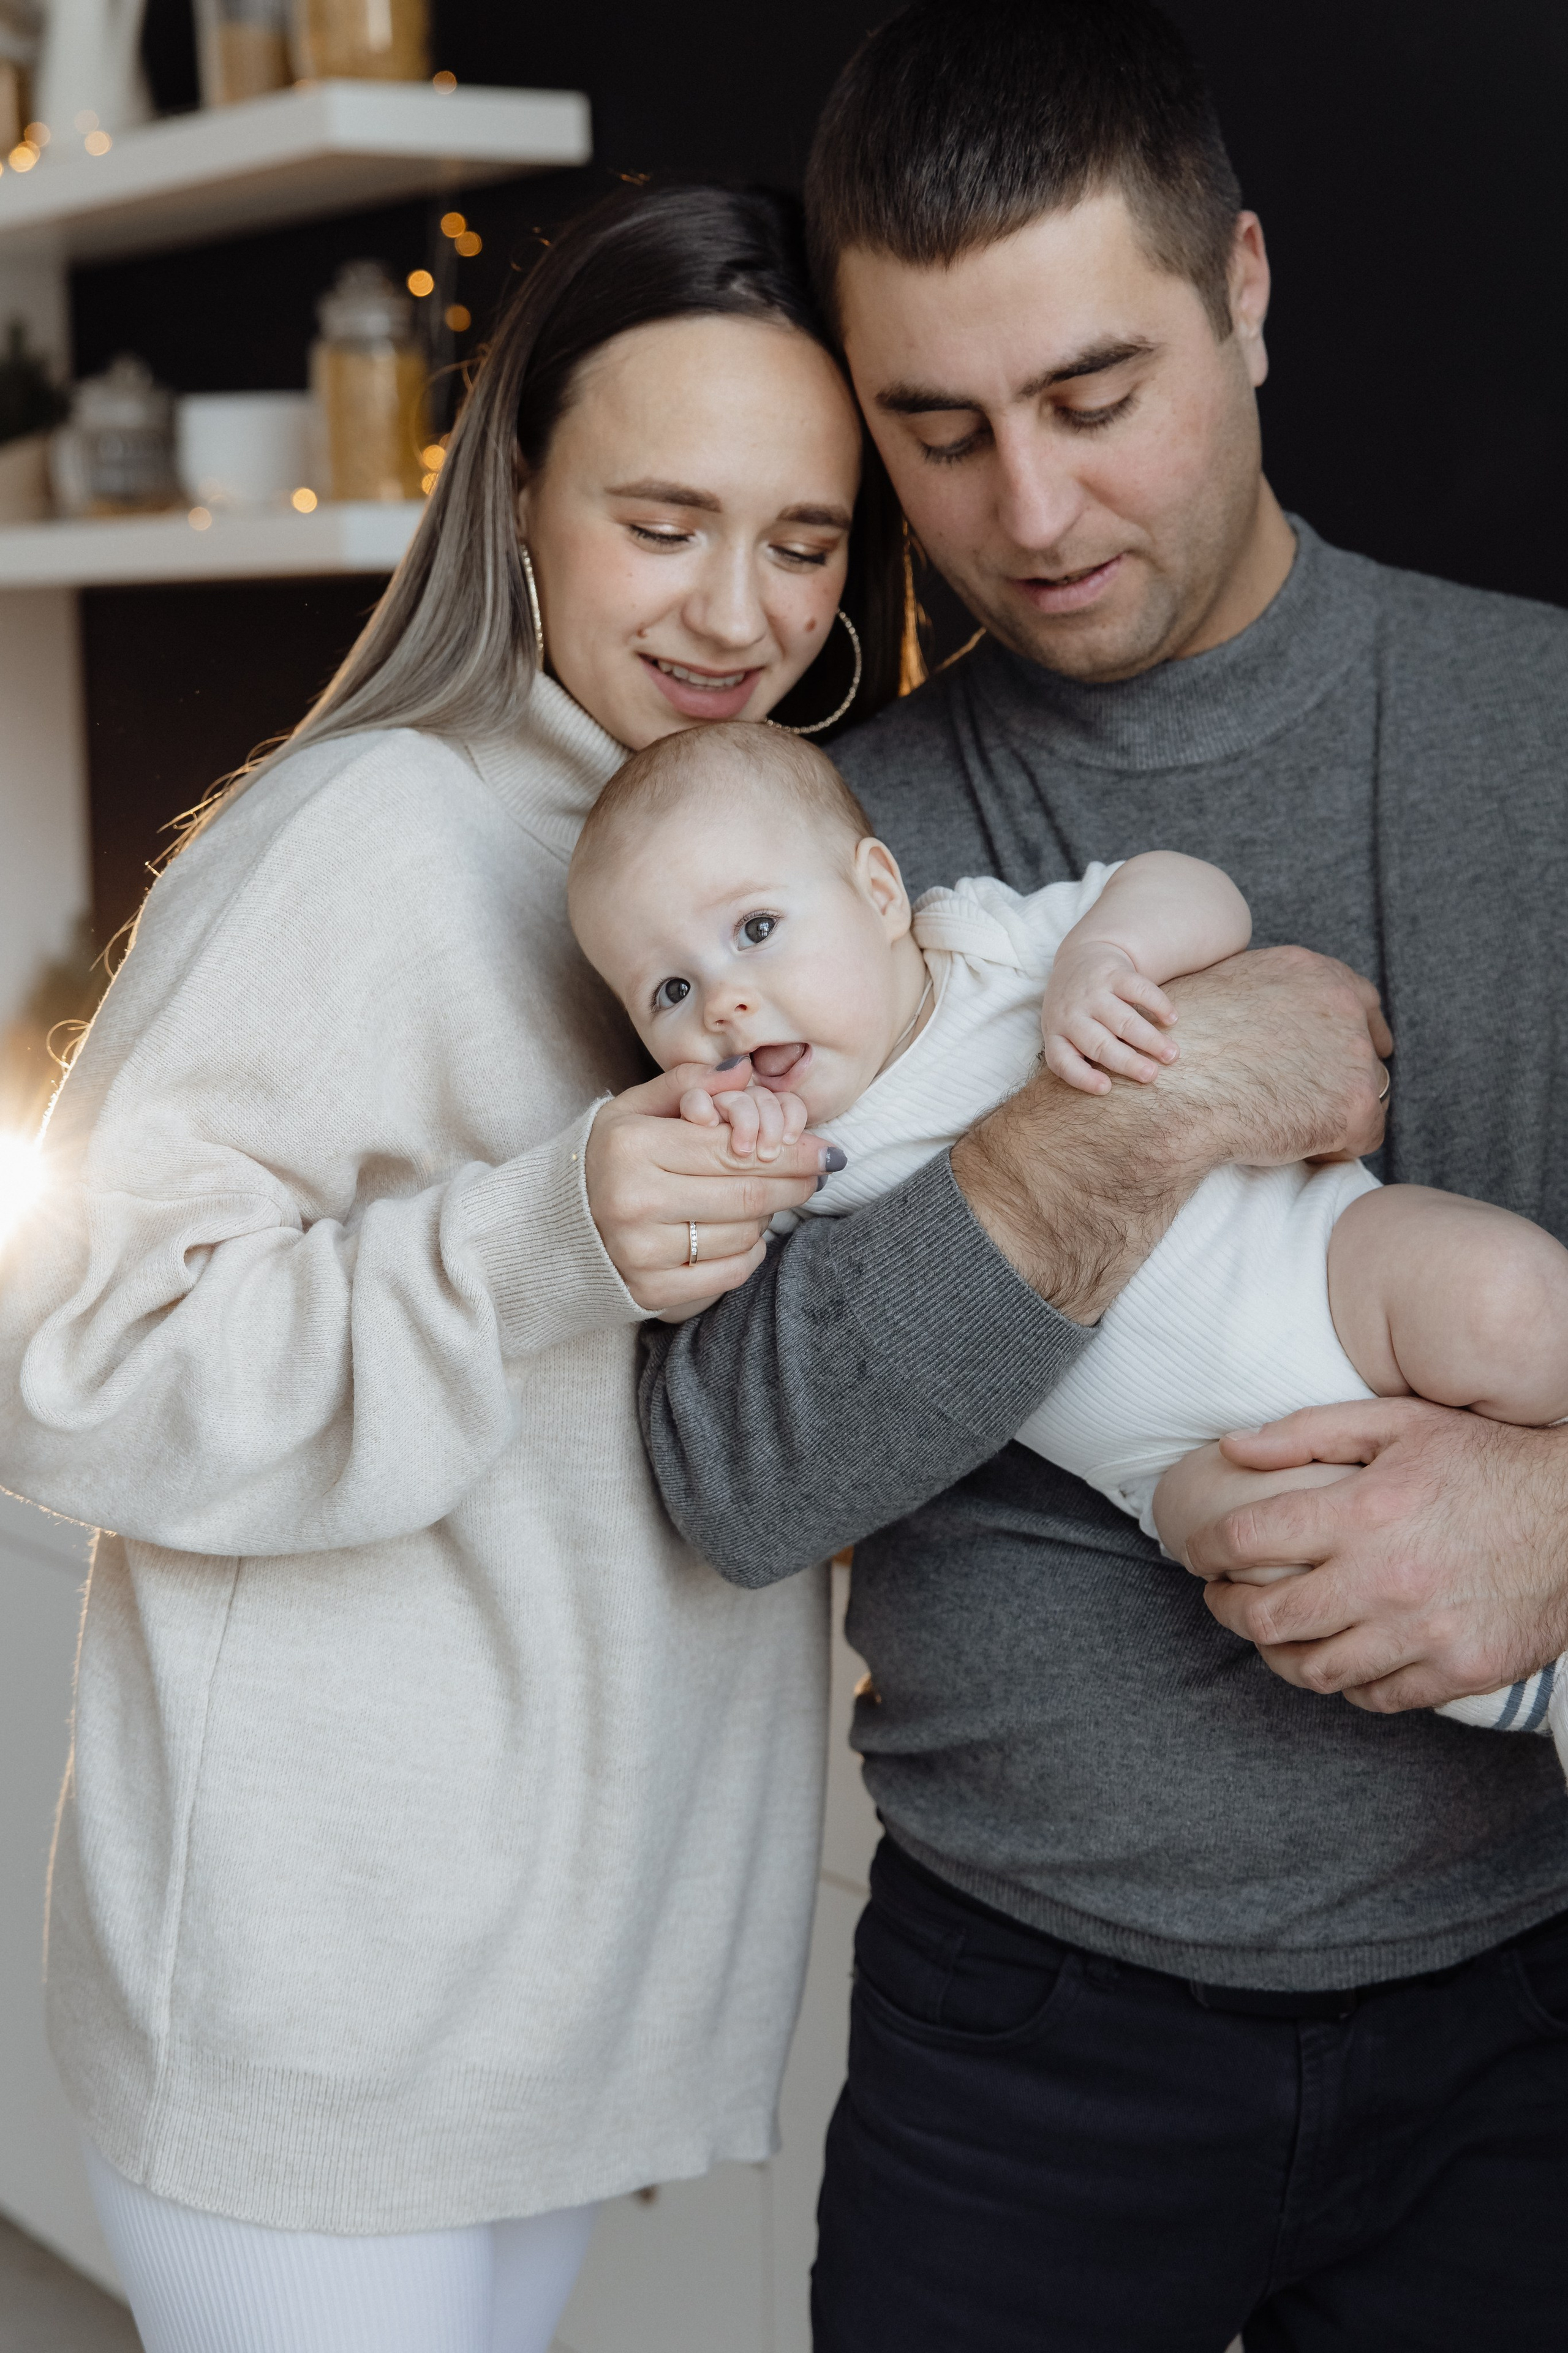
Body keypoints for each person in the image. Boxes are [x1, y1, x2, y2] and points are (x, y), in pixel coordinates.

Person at [633, 4, 1568, 2345]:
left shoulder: (1537, 728)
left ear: (1245, 292)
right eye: (934, 432)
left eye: (1092, 398)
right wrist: (1149, 1109)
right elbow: (742, 1469)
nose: (1025, 516)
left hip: (1530, 2016)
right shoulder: (799, 859)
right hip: (1020, 2040)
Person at [0, 182, 898, 2353]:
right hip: (323, 2032)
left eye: (803, 537)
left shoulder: (753, 894)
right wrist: (534, 1241)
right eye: (664, 519)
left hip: (549, 2028)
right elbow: (63, 1373)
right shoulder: (373, 835)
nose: (738, 607)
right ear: (515, 495)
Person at [571, 719, 1568, 1747]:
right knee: (1300, 1576)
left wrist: (1109, 952)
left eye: (756, 929)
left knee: (1508, 1301)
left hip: (1321, 1269)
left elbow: (1190, 884)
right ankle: (1541, 1706)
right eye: (672, 992)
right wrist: (715, 1177)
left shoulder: (990, 944)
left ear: (876, 893)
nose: (727, 1006)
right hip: (1184, 1454)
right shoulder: (784, 1161)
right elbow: (708, 1322)